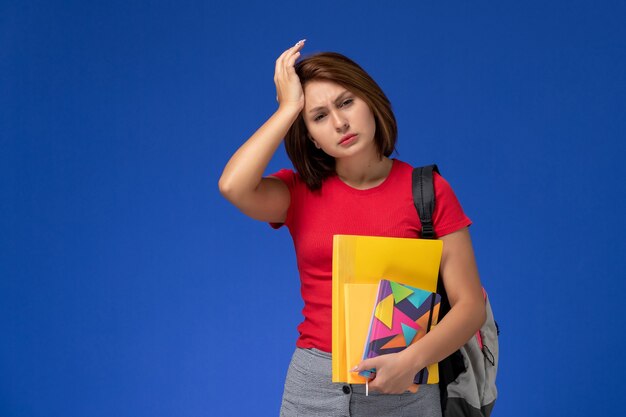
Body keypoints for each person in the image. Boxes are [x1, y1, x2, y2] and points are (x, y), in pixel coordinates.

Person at [218, 40, 486, 417]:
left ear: (371, 102)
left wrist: (410, 361)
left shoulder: (427, 191)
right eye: (319, 116)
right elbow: (233, 186)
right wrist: (288, 107)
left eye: (346, 103)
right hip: (313, 384)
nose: (340, 123)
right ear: (309, 134)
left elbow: (470, 306)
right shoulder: (298, 192)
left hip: (404, 383)